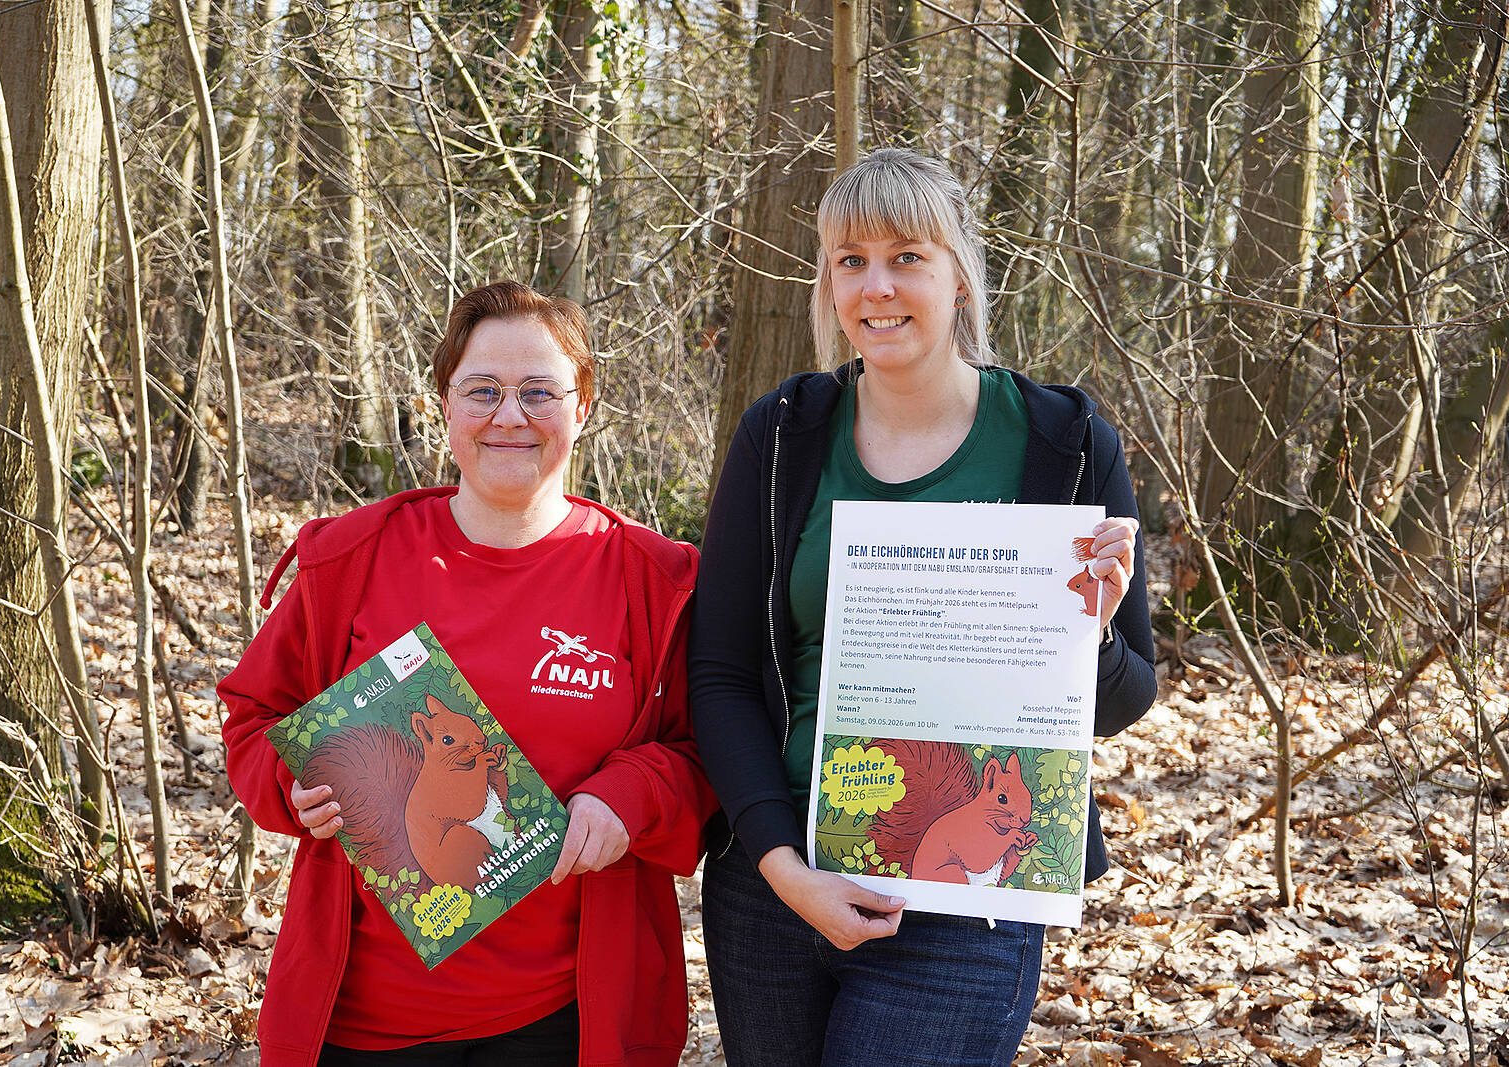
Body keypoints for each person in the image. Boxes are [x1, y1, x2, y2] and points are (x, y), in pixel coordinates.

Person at [688, 147, 1157, 1066]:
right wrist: (781, 865)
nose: (878, 286)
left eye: (907, 256)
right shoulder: (781, 435)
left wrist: (1089, 634)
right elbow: (722, 672)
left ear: (960, 275)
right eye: (851, 261)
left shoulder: (1064, 444)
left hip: (966, 901)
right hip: (776, 881)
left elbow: (1124, 697)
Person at [221, 280, 717, 1067]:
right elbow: (252, 717)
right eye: (483, 389)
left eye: (539, 392)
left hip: (568, 1018)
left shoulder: (654, 578)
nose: (509, 415)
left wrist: (630, 794)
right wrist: (294, 784)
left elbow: (704, 751)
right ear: (444, 405)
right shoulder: (354, 558)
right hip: (362, 1020)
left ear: (583, 406)